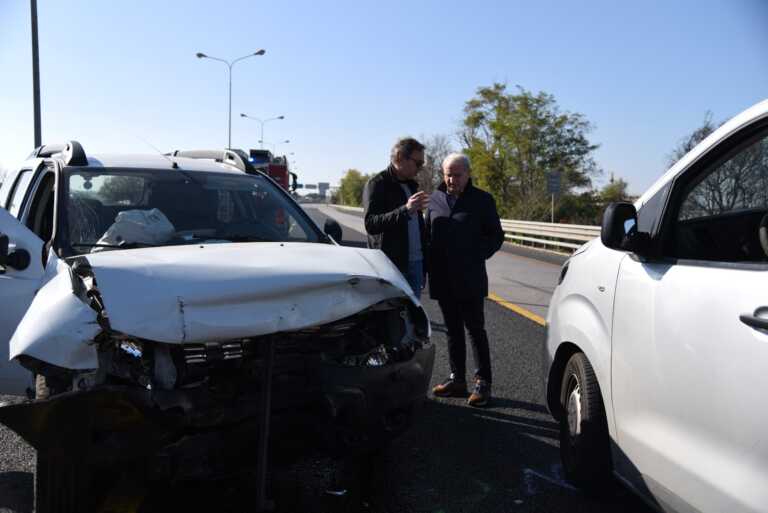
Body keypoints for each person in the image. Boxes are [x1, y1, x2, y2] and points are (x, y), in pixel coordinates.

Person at [426, 153, 504, 407]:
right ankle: (457, 379)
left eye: (457, 175)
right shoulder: (434, 200)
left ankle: (483, 382)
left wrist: (475, 255)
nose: (452, 179)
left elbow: (496, 236)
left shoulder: (482, 200)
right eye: (448, 174)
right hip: (442, 277)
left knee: (475, 330)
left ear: (468, 174)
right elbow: (427, 235)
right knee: (452, 330)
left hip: (470, 278)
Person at [362, 137, 429, 297]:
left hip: (416, 262)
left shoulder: (411, 185)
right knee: (392, 311)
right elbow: (371, 224)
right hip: (391, 265)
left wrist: (424, 265)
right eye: (418, 163)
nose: (420, 168)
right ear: (400, 158)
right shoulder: (377, 184)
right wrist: (405, 210)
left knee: (414, 311)